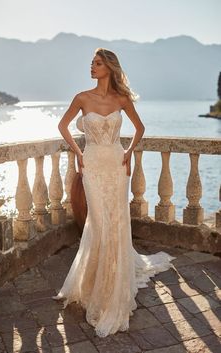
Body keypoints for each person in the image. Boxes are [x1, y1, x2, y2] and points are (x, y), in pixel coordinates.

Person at [53, 48, 175, 337]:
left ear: (109, 67)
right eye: (91, 63)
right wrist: (78, 153)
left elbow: (139, 128)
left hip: (117, 165)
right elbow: (62, 126)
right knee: (100, 222)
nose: (92, 67)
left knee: (116, 222)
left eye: (97, 63)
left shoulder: (122, 99)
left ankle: (111, 288)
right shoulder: (82, 98)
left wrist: (130, 151)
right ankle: (98, 285)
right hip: (93, 164)